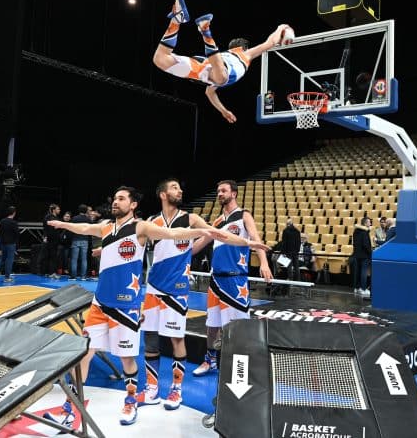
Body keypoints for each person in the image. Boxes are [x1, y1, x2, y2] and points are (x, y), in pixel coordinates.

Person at [46, 185, 233, 426]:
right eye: (114, 198)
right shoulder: (107, 226)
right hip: (103, 303)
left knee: (130, 358)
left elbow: (174, 235)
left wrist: (210, 232)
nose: (115, 201)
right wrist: (64, 225)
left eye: (121, 198)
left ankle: (134, 400)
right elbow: (84, 227)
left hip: (135, 304)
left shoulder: (144, 226)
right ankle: (70, 408)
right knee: (85, 354)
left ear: (133, 204)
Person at [139, 178, 268, 412]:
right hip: (155, 286)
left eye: (223, 190)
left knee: (180, 339)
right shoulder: (151, 222)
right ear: (163, 194)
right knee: (151, 339)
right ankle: (152, 386)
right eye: (175, 187)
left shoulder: (193, 219)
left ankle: (178, 388)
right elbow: (137, 247)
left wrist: (254, 246)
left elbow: (220, 235)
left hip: (180, 289)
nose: (181, 189)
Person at [152, 0, 290, 123]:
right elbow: (271, 42)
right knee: (221, 78)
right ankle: (205, 31)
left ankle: (177, 19)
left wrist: (223, 111)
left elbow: (209, 93)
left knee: (160, 59)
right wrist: (281, 27)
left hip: (204, 68)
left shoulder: (225, 54)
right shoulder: (246, 54)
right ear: (243, 47)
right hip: (216, 69)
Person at [190, 179, 273, 376]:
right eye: (218, 191)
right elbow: (199, 244)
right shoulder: (217, 222)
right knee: (212, 325)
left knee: (237, 326)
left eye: (223, 191)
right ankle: (210, 361)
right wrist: (176, 253)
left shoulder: (244, 215)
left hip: (235, 279)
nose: (219, 194)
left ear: (233, 193)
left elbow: (255, 240)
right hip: (215, 280)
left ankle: (240, 363)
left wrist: (264, 262)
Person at [350, 216, 373, 297]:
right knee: (364, 272)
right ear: (365, 223)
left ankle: (357, 288)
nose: (370, 223)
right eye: (369, 222)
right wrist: (371, 253)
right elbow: (366, 245)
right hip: (364, 255)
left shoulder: (355, 232)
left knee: (358, 271)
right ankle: (363, 289)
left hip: (356, 254)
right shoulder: (365, 232)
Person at [0, 206, 19, 282]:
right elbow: (17, 234)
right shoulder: (13, 222)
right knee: (9, 260)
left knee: (2, 259)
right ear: (14, 213)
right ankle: (7, 277)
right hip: (11, 244)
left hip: (3, 243)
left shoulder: (2, 221)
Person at [69, 204, 90, 280]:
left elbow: (70, 228)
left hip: (75, 239)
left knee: (74, 259)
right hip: (85, 240)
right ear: (86, 211)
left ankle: (73, 276)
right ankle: (83, 276)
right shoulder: (88, 219)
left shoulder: (74, 218)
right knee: (84, 259)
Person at [42, 204, 61, 277]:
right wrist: (45, 237)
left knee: (53, 256)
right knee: (50, 256)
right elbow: (46, 228)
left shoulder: (56, 217)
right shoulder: (48, 217)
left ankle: (51, 272)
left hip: (55, 239)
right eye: (58, 209)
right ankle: (50, 272)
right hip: (50, 239)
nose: (59, 210)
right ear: (54, 210)